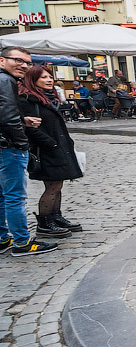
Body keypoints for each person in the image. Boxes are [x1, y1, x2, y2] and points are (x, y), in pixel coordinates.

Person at [0, 46, 58, 256]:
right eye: (18, 60)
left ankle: (2, 238)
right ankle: (22, 242)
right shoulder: (5, 81)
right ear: (2, 60)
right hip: (9, 146)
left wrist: (22, 120)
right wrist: (21, 142)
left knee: (3, 196)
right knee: (14, 196)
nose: (23, 65)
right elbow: (7, 116)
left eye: (27, 62)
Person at [17, 65, 84, 237]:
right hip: (46, 148)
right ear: (33, 80)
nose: (49, 80)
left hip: (58, 146)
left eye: (50, 77)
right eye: (44, 77)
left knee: (58, 184)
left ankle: (56, 216)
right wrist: (51, 144)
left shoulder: (48, 97)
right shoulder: (27, 99)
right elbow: (30, 128)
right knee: (52, 186)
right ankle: (45, 223)